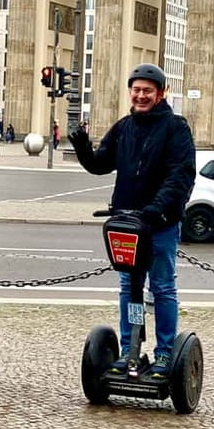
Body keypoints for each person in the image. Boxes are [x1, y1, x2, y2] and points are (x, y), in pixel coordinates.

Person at [68, 63, 195, 378]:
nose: (140, 96)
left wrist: (155, 208)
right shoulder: (124, 127)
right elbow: (101, 165)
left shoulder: (175, 128)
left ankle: (165, 354)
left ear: (161, 93)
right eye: (136, 90)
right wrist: (83, 146)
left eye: (147, 91)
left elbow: (180, 176)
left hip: (160, 222)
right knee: (129, 286)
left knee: (162, 286)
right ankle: (130, 350)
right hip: (127, 223)